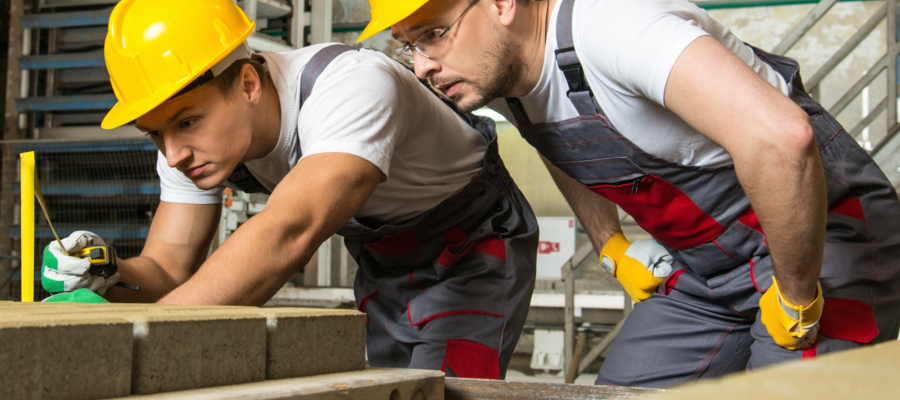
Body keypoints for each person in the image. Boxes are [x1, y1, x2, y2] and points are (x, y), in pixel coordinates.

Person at [362, 0, 900, 387]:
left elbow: (783, 140)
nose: (423, 66)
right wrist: (610, 245)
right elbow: (555, 141)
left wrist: (799, 295)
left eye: (434, 34)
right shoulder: (507, 79)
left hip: (819, 248)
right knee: (622, 388)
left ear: (502, 4)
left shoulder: (614, 25)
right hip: (710, 273)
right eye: (409, 46)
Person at [40, 0, 539, 379]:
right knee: (392, 386)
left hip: (474, 244)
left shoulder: (351, 85)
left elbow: (289, 230)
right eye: (154, 133)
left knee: (440, 387)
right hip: (386, 260)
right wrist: (108, 274)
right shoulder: (186, 146)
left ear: (248, 85)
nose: (172, 154)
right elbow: (168, 268)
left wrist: (128, 338)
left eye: (187, 121)